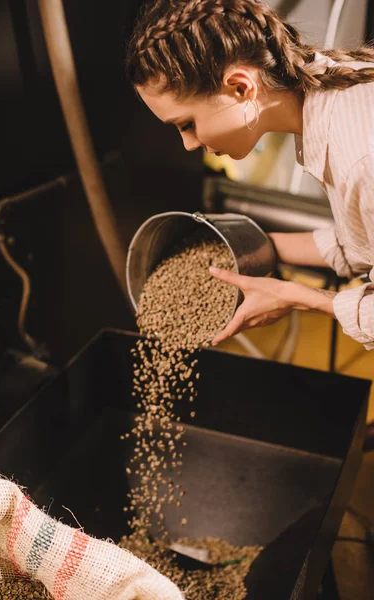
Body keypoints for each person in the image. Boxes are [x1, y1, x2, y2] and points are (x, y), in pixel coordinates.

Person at [126, 0, 374, 444]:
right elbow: (363, 239)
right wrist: (255, 248)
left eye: (187, 124)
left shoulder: (360, 156)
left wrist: (302, 298)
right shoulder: (332, 88)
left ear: (241, 88)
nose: (187, 144)